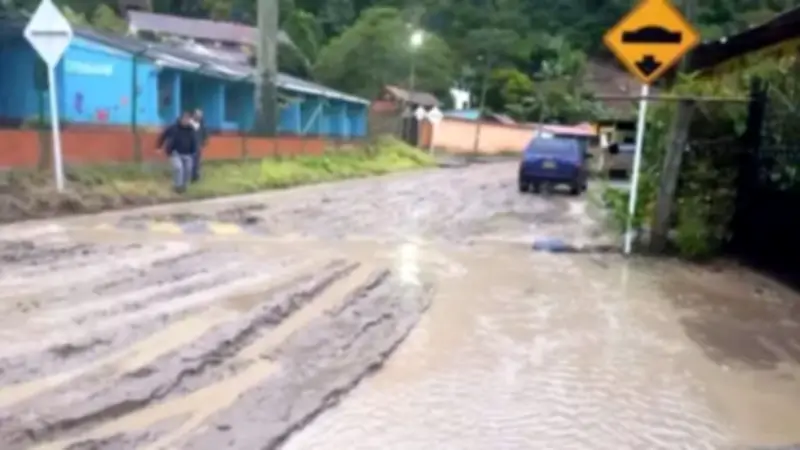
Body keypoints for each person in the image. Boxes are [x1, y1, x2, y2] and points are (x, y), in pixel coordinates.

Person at [157, 111, 198, 193]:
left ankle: (184, 186)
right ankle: (177, 186)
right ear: (181, 119)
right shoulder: (173, 128)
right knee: (178, 168)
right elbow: (163, 135)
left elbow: (194, 141)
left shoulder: (191, 129)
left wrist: (194, 151)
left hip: (188, 154)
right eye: (184, 119)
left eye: (188, 119)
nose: (186, 121)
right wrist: (159, 147)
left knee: (188, 170)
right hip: (175, 153)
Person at [190, 108, 208, 182]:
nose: (199, 117)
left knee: (197, 162)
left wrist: (204, 142)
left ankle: (195, 177)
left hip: (197, 146)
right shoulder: (189, 124)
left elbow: (205, 134)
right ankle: (187, 176)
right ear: (193, 115)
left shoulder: (202, 125)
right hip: (188, 146)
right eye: (197, 115)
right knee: (189, 162)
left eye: (200, 115)